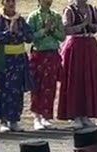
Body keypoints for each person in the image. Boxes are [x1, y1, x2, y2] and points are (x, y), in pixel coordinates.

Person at [57, 0, 97, 128]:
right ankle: (74, 115)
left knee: (88, 80)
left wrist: (92, 26)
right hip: (75, 46)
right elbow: (65, 30)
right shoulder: (70, 11)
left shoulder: (92, 9)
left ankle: (86, 114)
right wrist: (81, 25)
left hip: (89, 46)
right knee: (75, 80)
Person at [0, 0, 32, 132]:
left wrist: (18, 32)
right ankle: (3, 120)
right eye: (8, 1)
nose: (11, 4)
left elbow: (29, 37)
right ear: (3, 3)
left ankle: (14, 120)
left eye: (13, 1)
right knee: (2, 89)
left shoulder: (20, 20)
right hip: (4, 59)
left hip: (19, 59)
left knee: (17, 90)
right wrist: (8, 32)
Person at [26, 0, 63, 129]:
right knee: (37, 86)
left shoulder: (56, 16)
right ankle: (37, 117)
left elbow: (62, 36)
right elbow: (29, 37)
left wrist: (52, 30)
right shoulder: (33, 16)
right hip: (38, 54)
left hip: (52, 54)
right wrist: (44, 30)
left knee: (50, 86)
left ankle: (46, 117)